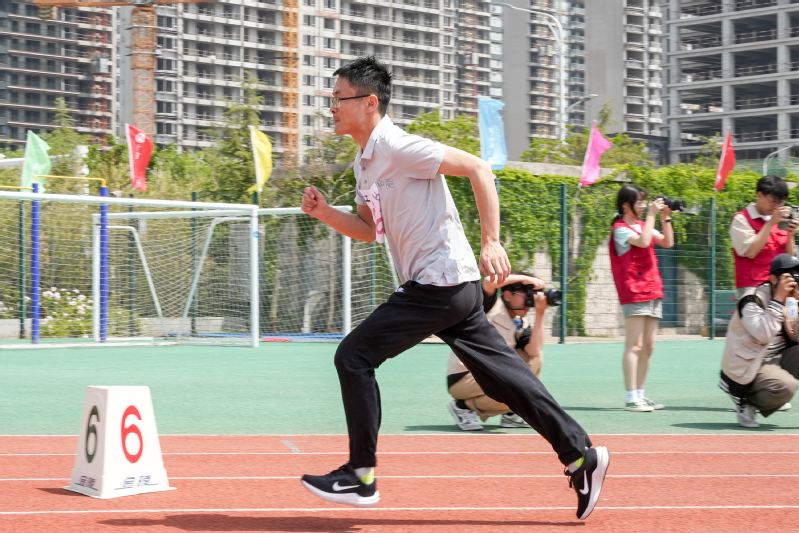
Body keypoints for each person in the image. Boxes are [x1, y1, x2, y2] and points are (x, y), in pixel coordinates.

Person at [299, 56, 609, 520]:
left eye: (338, 98)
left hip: (438, 283)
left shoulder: (400, 145)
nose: (332, 108)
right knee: (504, 379)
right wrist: (326, 213)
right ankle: (581, 455)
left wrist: (491, 241)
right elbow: (368, 230)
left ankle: (361, 475)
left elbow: (479, 169)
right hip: (451, 288)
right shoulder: (366, 163)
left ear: (369, 102)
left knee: (354, 356)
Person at [447, 272, 549, 430]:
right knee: (518, 391)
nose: (529, 302)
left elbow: (534, 351)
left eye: (532, 296)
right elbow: (489, 281)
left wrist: (541, 312)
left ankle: (511, 415)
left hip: (492, 374)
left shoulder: (521, 322)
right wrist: (526, 279)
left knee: (533, 363)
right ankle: (463, 406)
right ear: (507, 295)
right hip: (465, 377)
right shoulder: (489, 305)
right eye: (526, 295)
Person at [609, 185, 674, 412]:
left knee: (649, 346)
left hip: (652, 288)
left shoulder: (643, 225)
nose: (643, 206)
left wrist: (665, 218)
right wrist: (653, 215)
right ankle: (630, 397)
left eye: (644, 202)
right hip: (634, 291)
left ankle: (640, 394)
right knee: (634, 345)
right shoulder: (620, 229)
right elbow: (644, 242)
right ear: (625, 205)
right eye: (638, 202)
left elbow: (668, 242)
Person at [719, 253, 799, 428]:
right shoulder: (752, 300)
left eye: (796, 275)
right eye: (789, 275)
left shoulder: (792, 300)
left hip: (777, 356)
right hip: (750, 365)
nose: (793, 279)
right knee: (787, 387)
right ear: (773, 279)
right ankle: (746, 403)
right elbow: (764, 334)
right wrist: (778, 299)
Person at [731, 175, 798, 299]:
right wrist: (770, 223)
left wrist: (790, 235)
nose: (776, 206)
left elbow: (789, 257)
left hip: (780, 288)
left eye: (780, 202)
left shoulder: (781, 220)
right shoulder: (741, 219)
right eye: (773, 201)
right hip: (754, 289)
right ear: (759, 195)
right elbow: (750, 252)